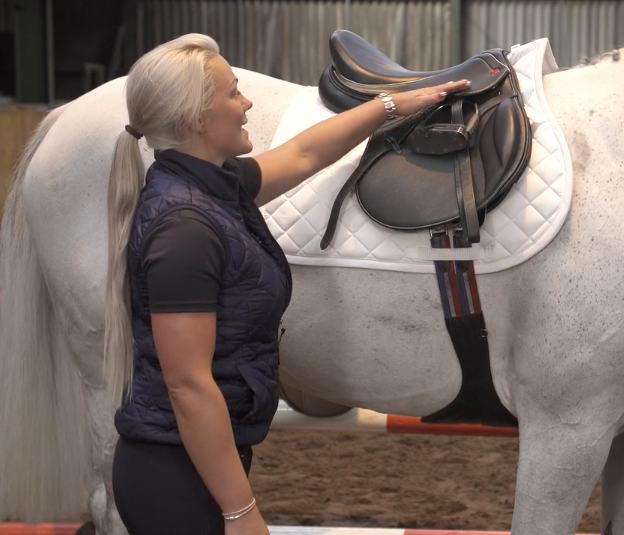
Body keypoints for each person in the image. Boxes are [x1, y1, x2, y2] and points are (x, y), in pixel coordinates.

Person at [103, 33, 470, 535]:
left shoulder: (212, 186)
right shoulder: (185, 226)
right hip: (174, 472)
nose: (247, 101)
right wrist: (240, 510)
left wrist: (390, 105)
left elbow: (303, 154)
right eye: (233, 93)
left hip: (194, 461)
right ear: (195, 118)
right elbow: (187, 385)